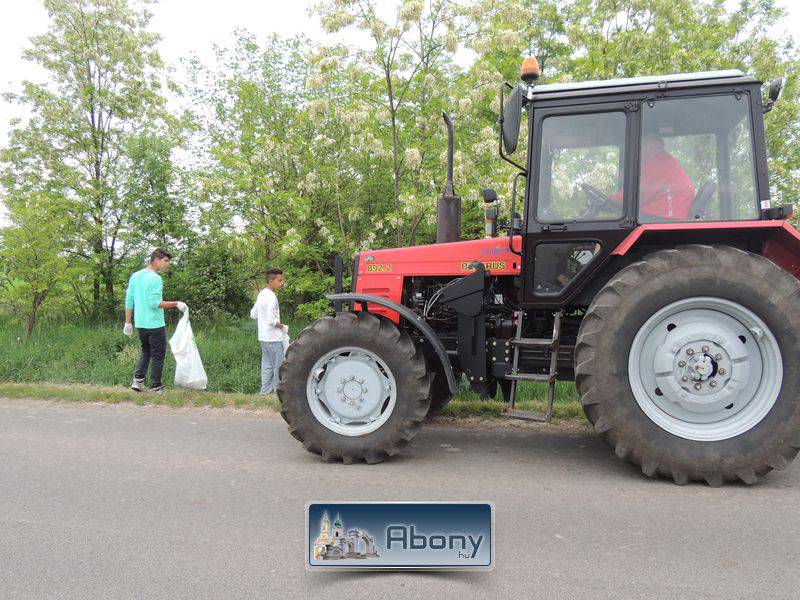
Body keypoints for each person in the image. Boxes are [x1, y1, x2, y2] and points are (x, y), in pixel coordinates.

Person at [123, 248, 187, 393]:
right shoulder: (155, 278)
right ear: (156, 260)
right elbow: (155, 303)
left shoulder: (135, 276)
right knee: (158, 355)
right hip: (155, 324)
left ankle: (138, 381)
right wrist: (176, 303)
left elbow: (129, 300)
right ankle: (156, 386)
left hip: (141, 323)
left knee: (146, 351)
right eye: (165, 261)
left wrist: (128, 322)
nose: (167, 264)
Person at [611, 133, 695, 220]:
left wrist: (607, 203)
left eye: (640, 146)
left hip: (666, 220)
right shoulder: (666, 163)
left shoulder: (659, 165)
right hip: (663, 218)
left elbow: (632, 196)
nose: (638, 152)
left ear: (650, 146)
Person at [250, 268, 286, 395]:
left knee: (267, 366)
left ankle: (264, 393)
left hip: (263, 338)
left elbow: (253, 314)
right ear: (271, 280)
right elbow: (271, 320)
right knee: (278, 367)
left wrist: (262, 318)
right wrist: (283, 327)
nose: (282, 283)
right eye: (279, 280)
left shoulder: (261, 294)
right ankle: (278, 393)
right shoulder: (271, 297)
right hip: (273, 338)